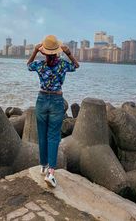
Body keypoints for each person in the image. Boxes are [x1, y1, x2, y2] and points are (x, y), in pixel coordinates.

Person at [27, 35, 79, 187]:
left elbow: (28, 64)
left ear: (44, 52)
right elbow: (76, 66)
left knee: (42, 135)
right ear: (57, 52)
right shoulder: (63, 64)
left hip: (41, 100)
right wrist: (69, 53)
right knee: (53, 136)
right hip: (56, 101)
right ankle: (50, 173)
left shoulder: (39, 65)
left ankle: (43, 166)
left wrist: (35, 51)